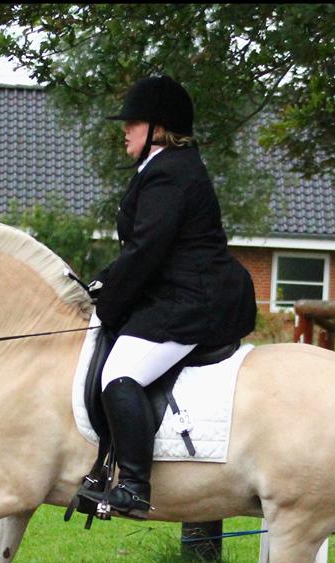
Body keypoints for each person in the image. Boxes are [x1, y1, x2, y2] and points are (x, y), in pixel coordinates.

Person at [78, 75, 258, 519]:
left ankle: (134, 486)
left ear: (158, 128)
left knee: (119, 375)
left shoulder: (169, 173)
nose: (125, 130)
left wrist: (110, 301)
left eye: (134, 122)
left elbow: (146, 250)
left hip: (191, 301)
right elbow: (141, 248)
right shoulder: (165, 169)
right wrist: (103, 281)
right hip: (180, 292)